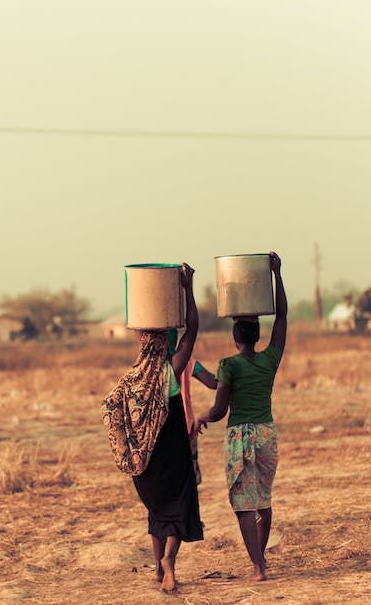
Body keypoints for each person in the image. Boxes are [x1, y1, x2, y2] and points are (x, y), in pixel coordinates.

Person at [102, 264, 202, 594]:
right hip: (173, 459)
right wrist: (187, 287)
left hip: (144, 467)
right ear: (162, 346)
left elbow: (110, 410)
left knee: (157, 514)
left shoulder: (129, 381)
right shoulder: (169, 374)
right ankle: (170, 561)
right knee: (178, 510)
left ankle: (159, 570)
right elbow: (191, 333)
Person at [196, 251, 287, 582]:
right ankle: (260, 560)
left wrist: (201, 418)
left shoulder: (229, 365)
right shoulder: (270, 359)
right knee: (263, 500)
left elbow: (220, 409)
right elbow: (283, 319)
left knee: (244, 505)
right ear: (257, 336)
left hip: (240, 438)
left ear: (235, 337)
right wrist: (277, 274)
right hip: (266, 434)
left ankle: (257, 567)